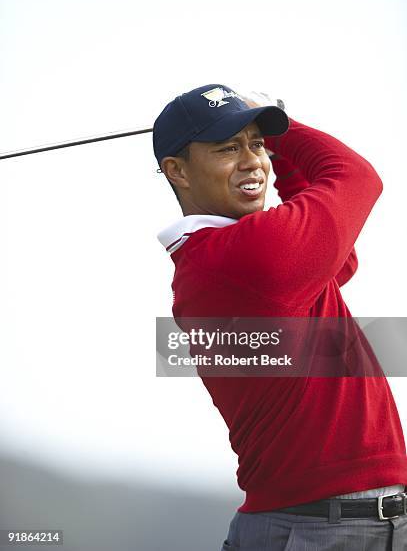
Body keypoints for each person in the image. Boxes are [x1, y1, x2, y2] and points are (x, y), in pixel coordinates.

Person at [153, 83, 407, 550]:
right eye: (229, 148)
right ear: (177, 171)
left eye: (259, 143)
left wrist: (271, 138)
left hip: (275, 520)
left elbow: (339, 262)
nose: (254, 161)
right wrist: (285, 131)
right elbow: (356, 177)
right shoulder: (254, 253)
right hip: (341, 523)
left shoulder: (212, 259)